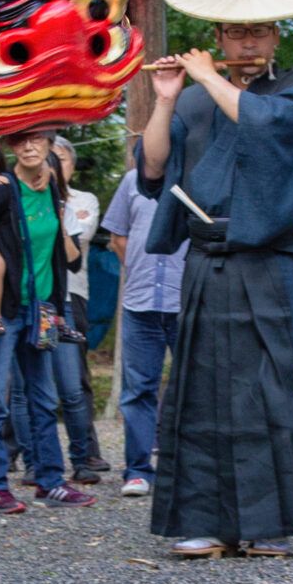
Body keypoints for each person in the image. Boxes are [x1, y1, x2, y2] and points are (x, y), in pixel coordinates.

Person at [137, 0, 293, 559]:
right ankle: (199, 522)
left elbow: (268, 127)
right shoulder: (198, 99)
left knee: (265, 390)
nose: (247, 44)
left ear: (278, 36)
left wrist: (207, 73)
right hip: (207, 262)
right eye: (235, 33)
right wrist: (167, 101)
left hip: (268, 261)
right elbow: (153, 169)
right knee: (199, 389)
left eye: (259, 32)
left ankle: (265, 524)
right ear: (221, 38)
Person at [0, 130, 89, 513]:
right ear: (11, 147)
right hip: (5, 313)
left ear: (49, 144)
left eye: (35, 140)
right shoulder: (2, 190)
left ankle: (50, 481)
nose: (27, 147)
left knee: (44, 400)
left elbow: (71, 259)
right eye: (18, 141)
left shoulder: (52, 190)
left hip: (42, 312)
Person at [99, 176, 185, 499]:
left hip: (187, 301)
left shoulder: (197, 174)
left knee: (194, 387)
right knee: (138, 390)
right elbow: (118, 236)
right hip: (140, 301)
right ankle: (137, 470)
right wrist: (138, 267)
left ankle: (188, 469)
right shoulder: (133, 181)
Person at [46, 135, 110, 483]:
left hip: (73, 294)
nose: (55, 166)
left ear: (71, 164)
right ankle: (25, 455)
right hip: (38, 296)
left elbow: (79, 238)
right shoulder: (28, 196)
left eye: (61, 159)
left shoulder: (86, 199)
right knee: (31, 376)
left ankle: (87, 450)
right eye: (49, 159)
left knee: (76, 376)